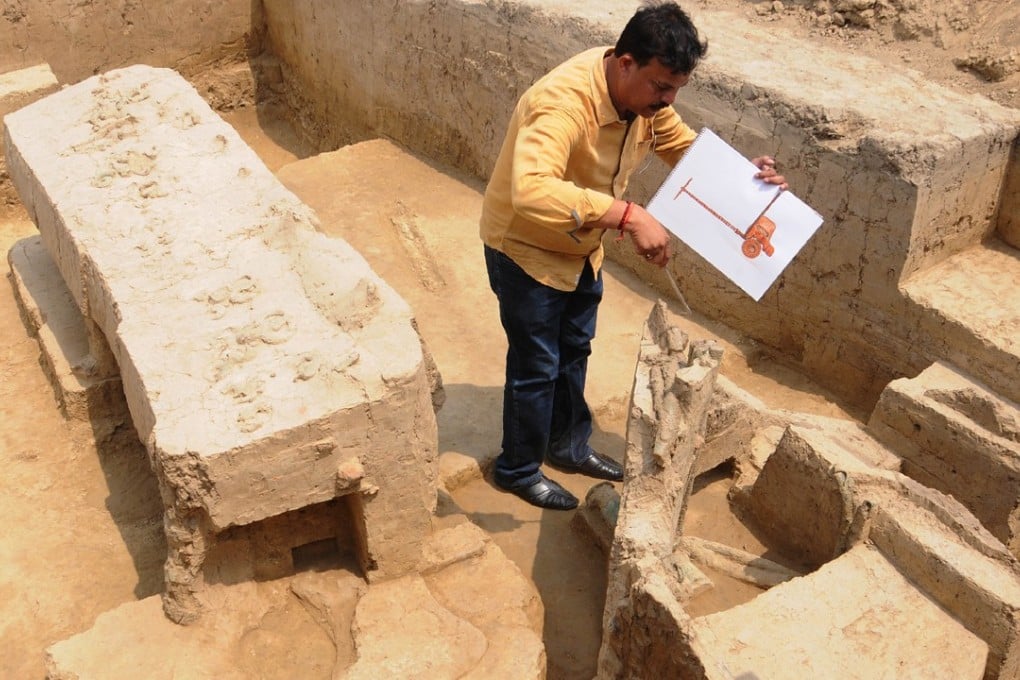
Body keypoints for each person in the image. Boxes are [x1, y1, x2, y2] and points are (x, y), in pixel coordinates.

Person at [480, 1, 786, 510]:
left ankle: (567, 445)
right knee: (537, 364)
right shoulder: (563, 103)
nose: (667, 101)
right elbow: (530, 191)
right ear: (626, 63)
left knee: (573, 350)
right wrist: (629, 215)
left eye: (674, 90)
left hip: (580, 249)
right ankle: (518, 468)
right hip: (527, 249)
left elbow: (684, 150)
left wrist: (743, 178)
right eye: (661, 87)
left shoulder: (645, 102)